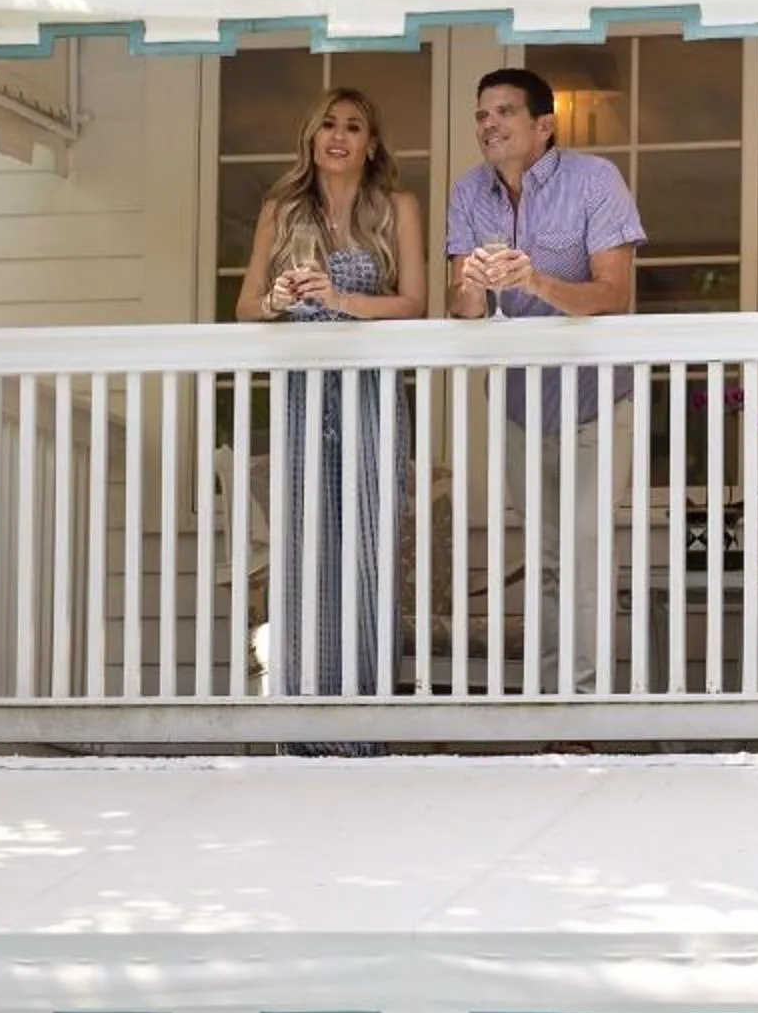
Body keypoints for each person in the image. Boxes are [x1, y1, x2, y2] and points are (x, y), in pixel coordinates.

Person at [446, 66, 646, 693]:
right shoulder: (468, 193)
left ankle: (579, 705)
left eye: (504, 113)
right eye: (482, 115)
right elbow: (461, 309)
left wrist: (534, 281)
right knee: (544, 554)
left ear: (543, 125)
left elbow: (615, 295)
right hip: (515, 402)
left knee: (584, 553)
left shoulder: (594, 181)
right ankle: (547, 696)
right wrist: (474, 285)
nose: (489, 125)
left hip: (593, 397)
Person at [236, 87, 426, 732]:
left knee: (369, 541)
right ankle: (303, 718)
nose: (338, 136)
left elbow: (415, 304)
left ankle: (365, 717)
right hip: (302, 393)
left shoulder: (397, 207)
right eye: (327, 125)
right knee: (307, 541)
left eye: (353, 126)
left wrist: (341, 296)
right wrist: (279, 299)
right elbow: (246, 306)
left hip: (371, 390)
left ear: (371, 143)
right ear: (310, 139)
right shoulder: (280, 210)